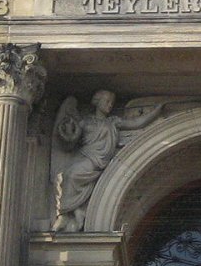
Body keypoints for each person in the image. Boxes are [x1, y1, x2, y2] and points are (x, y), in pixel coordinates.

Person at [52, 91, 165, 231]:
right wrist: (67, 131)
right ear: (97, 102)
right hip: (86, 156)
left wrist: (156, 111)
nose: (110, 105)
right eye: (107, 101)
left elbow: (136, 123)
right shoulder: (85, 121)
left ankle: (73, 212)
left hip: (99, 161)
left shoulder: (113, 122)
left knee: (72, 175)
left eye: (112, 102)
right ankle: (67, 213)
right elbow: (71, 138)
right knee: (69, 176)